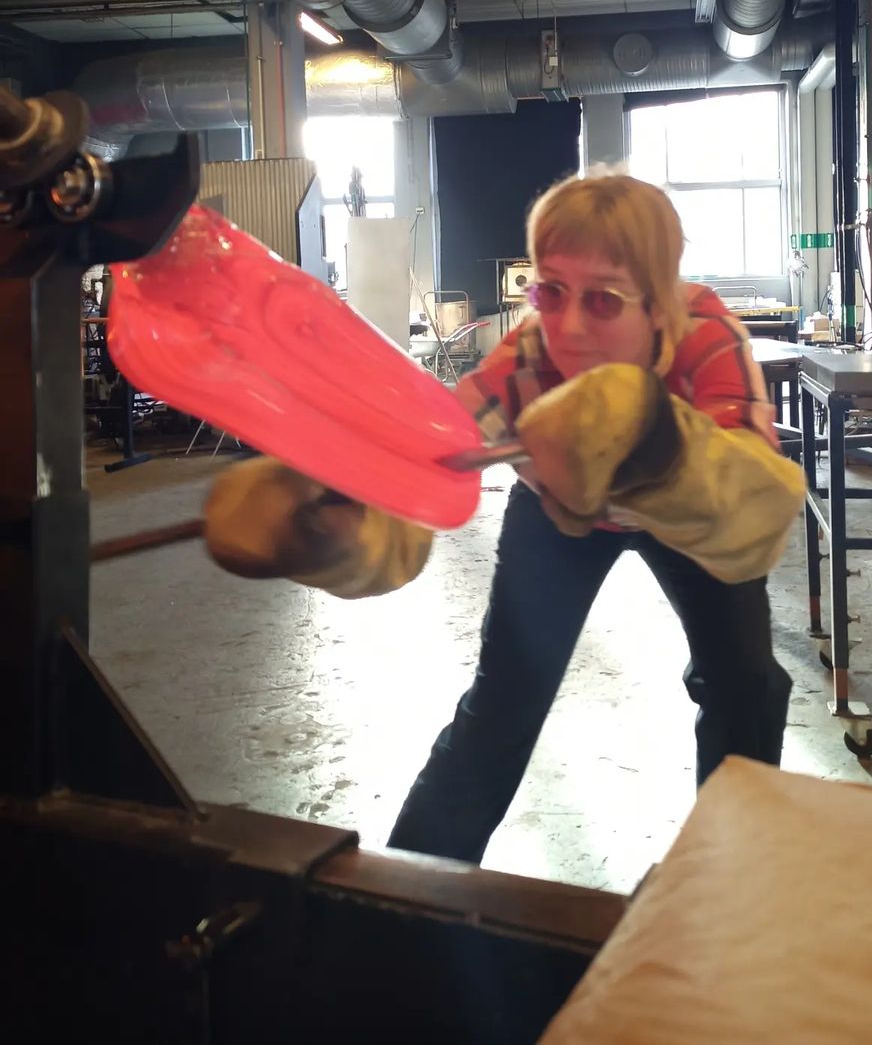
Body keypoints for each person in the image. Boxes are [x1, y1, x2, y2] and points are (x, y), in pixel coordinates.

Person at [204, 171, 805, 865]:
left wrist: (659, 443)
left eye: (603, 299)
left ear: (659, 301)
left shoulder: (705, 334)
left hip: (689, 514)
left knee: (746, 687)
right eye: (550, 291)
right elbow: (431, 450)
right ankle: (416, 887)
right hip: (559, 508)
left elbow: (754, 500)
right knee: (505, 701)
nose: (568, 327)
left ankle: (732, 878)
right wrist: (332, 509)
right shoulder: (527, 355)